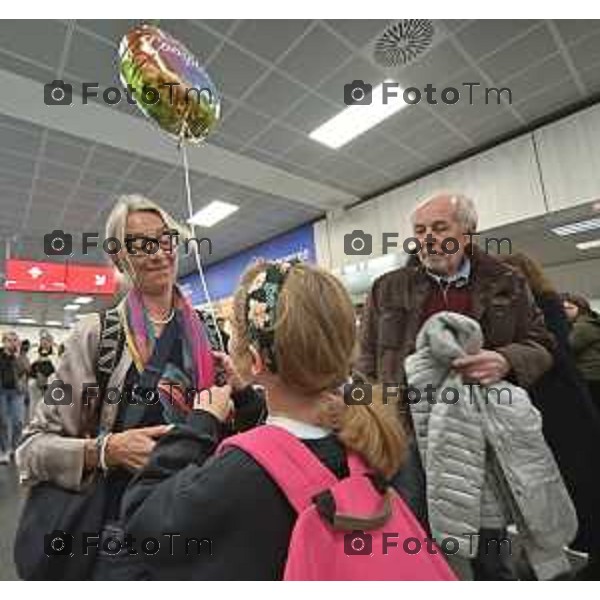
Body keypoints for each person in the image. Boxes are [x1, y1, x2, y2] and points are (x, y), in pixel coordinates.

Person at [16, 194, 261, 580]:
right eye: (140, 244)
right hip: (123, 538)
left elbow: (236, 433)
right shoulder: (98, 336)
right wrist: (106, 450)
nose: (158, 253)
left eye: (166, 240)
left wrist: (244, 396)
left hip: (204, 524)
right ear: (119, 258)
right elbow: (31, 449)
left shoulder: (210, 331)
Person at [122, 261, 408, 580]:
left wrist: (197, 425)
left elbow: (142, 522)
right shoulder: (372, 435)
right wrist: (247, 399)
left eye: (233, 330)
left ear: (256, 360)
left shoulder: (239, 473)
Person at [358, 193, 556, 580]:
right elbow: (365, 362)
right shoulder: (388, 288)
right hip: (408, 438)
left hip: (479, 436)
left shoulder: (507, 282)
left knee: (489, 548)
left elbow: (543, 344)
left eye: (439, 227)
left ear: (467, 232)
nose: (428, 238)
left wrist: (506, 360)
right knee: (412, 540)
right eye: (420, 231)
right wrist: (375, 423)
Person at [500, 253, 600, 579]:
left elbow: (547, 354)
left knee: (580, 483)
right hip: (558, 405)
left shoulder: (541, 306)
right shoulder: (541, 305)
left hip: (559, 408)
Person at [562, 293, 600, 414]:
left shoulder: (583, 326)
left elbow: (568, 347)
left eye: (569, 308)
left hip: (590, 376)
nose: (565, 312)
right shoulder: (590, 322)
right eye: (563, 309)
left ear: (581, 308)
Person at [0, 331, 28, 464]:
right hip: (2, 392)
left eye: (15, 340)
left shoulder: (21, 356)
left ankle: (14, 448)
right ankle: (4, 450)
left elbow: (27, 369)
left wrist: (17, 357)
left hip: (17, 392)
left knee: (19, 422)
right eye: (9, 340)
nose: (12, 343)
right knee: (3, 422)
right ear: (4, 342)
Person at [28, 332, 56, 414]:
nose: (45, 343)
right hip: (35, 383)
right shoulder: (33, 352)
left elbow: (58, 368)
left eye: (47, 341)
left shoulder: (56, 355)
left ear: (51, 342)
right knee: (34, 404)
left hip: (51, 383)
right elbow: (29, 367)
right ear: (40, 342)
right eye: (43, 340)